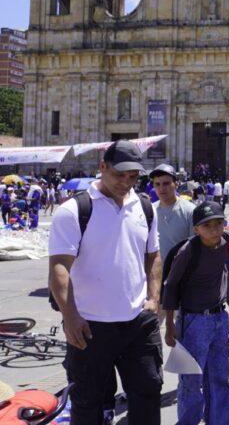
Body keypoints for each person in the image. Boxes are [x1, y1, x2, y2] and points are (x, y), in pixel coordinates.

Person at [48, 140, 162, 425]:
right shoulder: (74, 210)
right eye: (119, 174)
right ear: (102, 167)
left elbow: (154, 256)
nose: (126, 182)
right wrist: (70, 316)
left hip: (138, 322)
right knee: (88, 404)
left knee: (148, 397)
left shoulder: (145, 207)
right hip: (89, 326)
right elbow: (59, 267)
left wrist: (154, 297)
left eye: (133, 176)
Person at [162, 201, 229, 425]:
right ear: (196, 229)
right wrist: (170, 326)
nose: (214, 229)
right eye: (207, 225)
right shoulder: (189, 251)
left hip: (219, 319)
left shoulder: (225, 242)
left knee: (220, 376)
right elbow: (171, 286)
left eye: (218, 223)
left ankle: (219, 420)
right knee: (191, 380)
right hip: (194, 321)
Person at [151, 164, 196, 260]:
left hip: (180, 271)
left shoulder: (190, 210)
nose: (161, 188)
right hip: (156, 271)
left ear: (176, 184)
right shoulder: (150, 210)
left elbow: (194, 246)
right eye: (157, 184)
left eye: (166, 183)